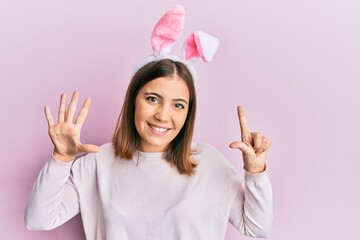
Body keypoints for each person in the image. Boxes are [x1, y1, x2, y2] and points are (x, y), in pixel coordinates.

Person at [25, 6, 273, 240]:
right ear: (134, 99)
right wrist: (60, 160)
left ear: (188, 112)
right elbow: (38, 220)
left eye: (178, 105)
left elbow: (257, 227)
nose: (163, 116)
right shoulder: (98, 163)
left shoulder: (209, 162)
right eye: (153, 99)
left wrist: (255, 172)